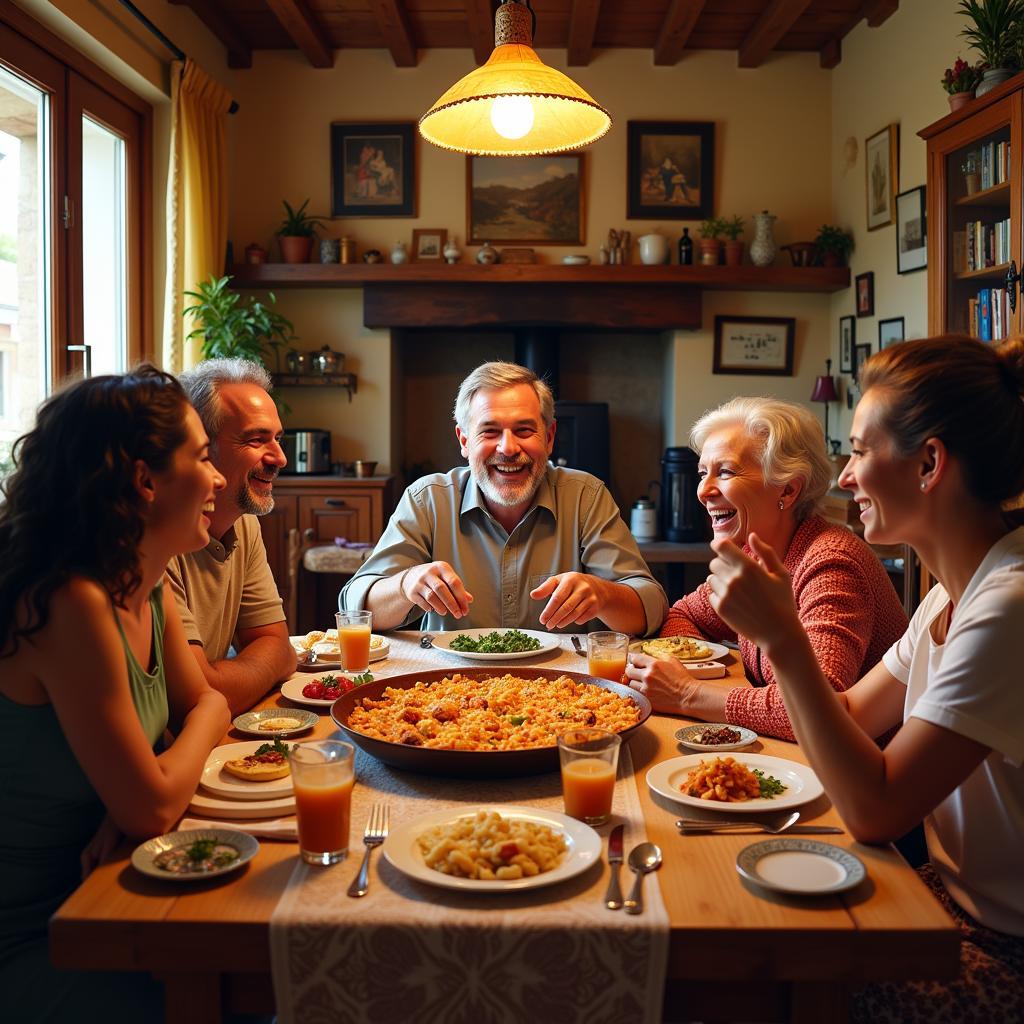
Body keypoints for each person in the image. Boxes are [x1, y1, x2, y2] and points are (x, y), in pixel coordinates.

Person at [702, 336, 1024, 1021]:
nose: (844, 478)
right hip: (939, 894)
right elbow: (848, 712)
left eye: (859, 451)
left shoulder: (1009, 609)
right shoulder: (951, 595)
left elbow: (876, 811)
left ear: (929, 464)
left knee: (755, 974)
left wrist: (784, 638)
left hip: (1000, 950)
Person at [0, 367, 232, 1021]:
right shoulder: (72, 600)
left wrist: (133, 787)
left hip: (109, 895)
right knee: (247, 990)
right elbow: (155, 808)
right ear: (143, 479)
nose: (217, 480)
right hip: (44, 933)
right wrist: (138, 789)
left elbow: (201, 705)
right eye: (204, 458)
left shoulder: (146, 578)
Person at [625, 397, 908, 740]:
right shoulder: (753, 553)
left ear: (788, 489)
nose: (703, 490)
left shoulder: (832, 563)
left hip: (852, 775)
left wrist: (689, 694)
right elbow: (682, 614)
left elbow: (814, 711)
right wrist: (704, 672)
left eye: (725, 472)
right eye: (703, 473)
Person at [341, 361, 667, 635]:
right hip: (450, 690)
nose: (508, 448)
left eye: (524, 430)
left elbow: (651, 606)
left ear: (550, 437)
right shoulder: (426, 499)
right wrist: (406, 583)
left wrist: (604, 593)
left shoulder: (586, 496)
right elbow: (356, 604)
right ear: (464, 440)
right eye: (490, 431)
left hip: (565, 692)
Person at [168, 359, 295, 716]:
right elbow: (194, 696)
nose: (280, 458)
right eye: (256, 440)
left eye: (277, 439)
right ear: (200, 447)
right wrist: (266, 665)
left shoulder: (244, 522)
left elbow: (276, 643)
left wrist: (223, 683)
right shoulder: (157, 541)